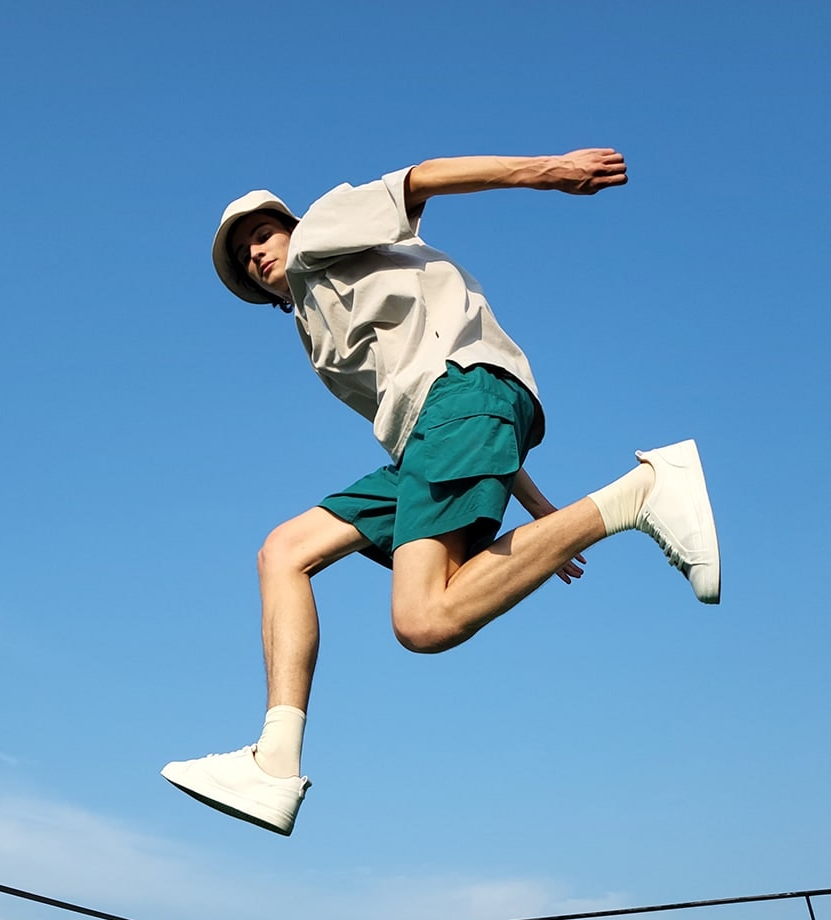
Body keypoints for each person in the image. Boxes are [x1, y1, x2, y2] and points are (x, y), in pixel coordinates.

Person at [161, 149, 721, 836]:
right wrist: (542, 510)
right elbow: (447, 418)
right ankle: (275, 759)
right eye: (244, 255)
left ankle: (640, 493)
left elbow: (417, 180)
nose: (257, 252)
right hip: (438, 424)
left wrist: (544, 171)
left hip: (458, 396)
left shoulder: (321, 233)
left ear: (290, 226)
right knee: (285, 552)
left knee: (423, 621)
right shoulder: (313, 328)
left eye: (262, 234)